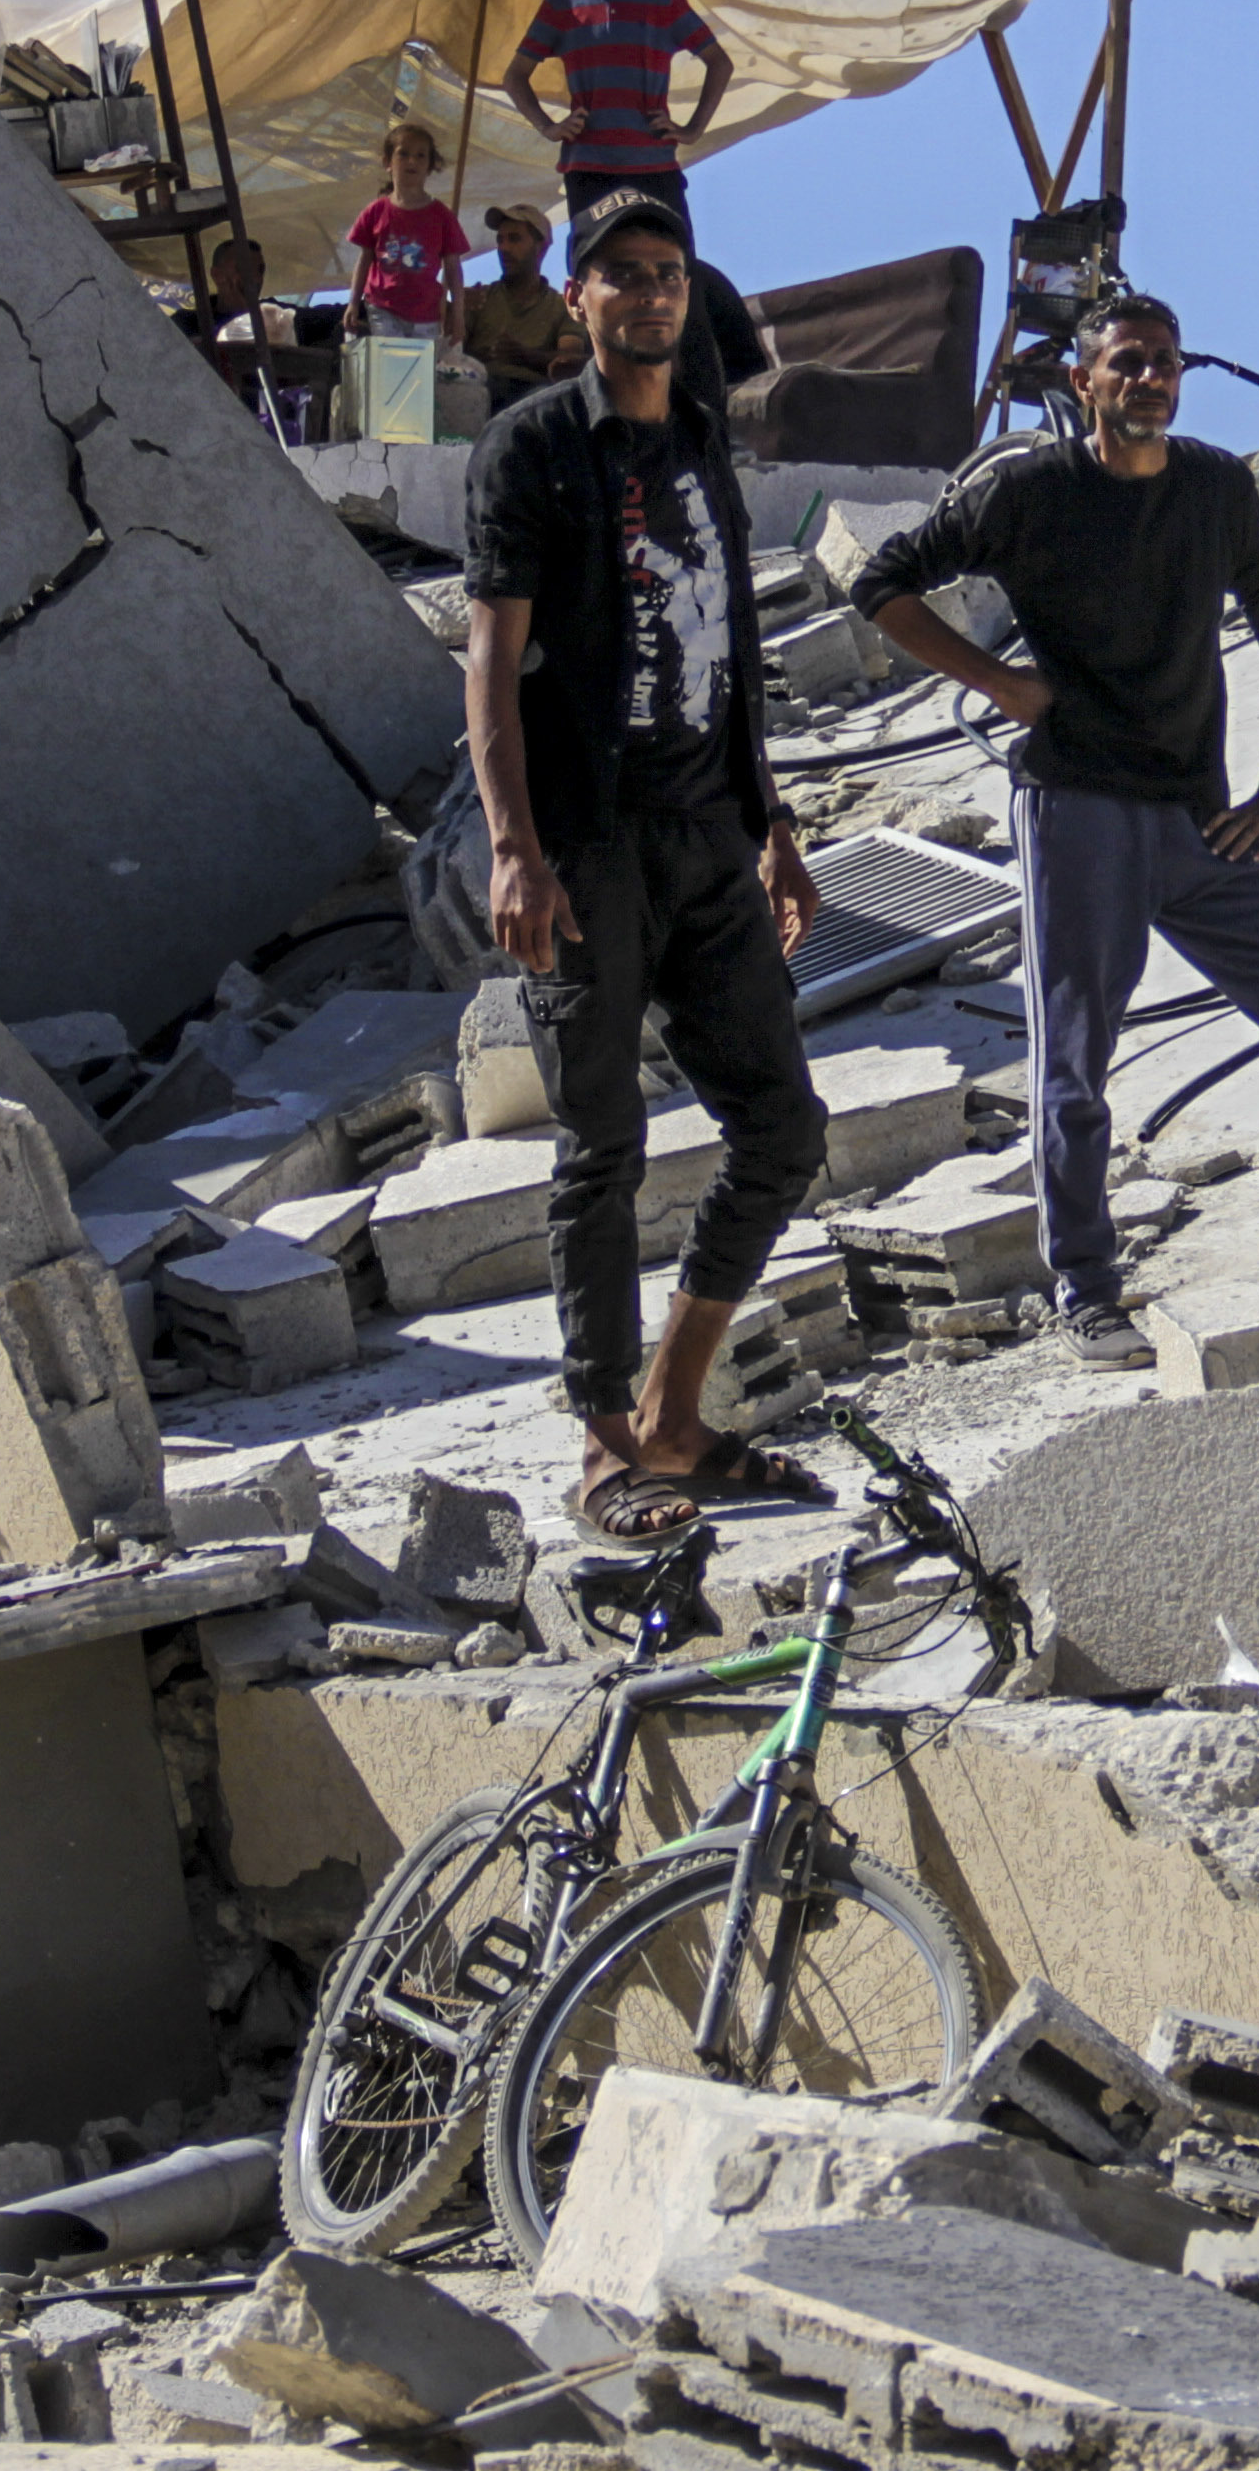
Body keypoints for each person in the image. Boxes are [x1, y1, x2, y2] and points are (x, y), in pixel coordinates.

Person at [852, 287, 1259, 1366]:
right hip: (1079, 812)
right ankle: (1087, 1288)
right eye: (1127, 363)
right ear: (1084, 382)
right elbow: (881, 585)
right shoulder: (1029, 493)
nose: (1148, 378)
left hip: (1200, 819)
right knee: (1076, 1061)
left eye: (1163, 361)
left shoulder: (1214, 486)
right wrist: (999, 683)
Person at [461, 192, 832, 1542]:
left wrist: (771, 821)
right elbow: (492, 661)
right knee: (602, 1145)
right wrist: (516, 850)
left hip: (708, 839)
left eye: (667, 274)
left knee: (782, 1130)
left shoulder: (696, 438)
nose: (649, 294)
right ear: (580, 301)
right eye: (620, 276)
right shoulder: (529, 451)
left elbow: (723, 638)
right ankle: (607, 1446)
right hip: (589, 846)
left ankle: (679, 1412)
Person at [503, 0, 772, 398]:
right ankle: (609, 398)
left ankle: (698, 404)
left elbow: (719, 60)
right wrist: (548, 125)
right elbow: (516, 75)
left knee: (674, 281)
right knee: (596, 283)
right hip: (590, 166)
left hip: (653, 164)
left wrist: (692, 128)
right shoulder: (561, 1)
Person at [345, 123, 473, 347]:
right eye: (403, 154)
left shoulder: (442, 216)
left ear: (430, 165)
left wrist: (458, 314)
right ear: (387, 162)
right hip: (383, 305)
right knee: (392, 362)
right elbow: (364, 259)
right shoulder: (375, 212)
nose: (412, 161)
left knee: (419, 372)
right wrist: (353, 303)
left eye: (420, 156)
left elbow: (453, 267)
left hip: (426, 312)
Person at [456, 198, 585, 415]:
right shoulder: (479, 297)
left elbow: (569, 364)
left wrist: (526, 356)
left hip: (534, 403)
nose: (503, 248)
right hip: (480, 396)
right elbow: (451, 353)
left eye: (514, 239)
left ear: (541, 247)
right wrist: (456, 309)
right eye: (500, 240)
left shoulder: (563, 306)